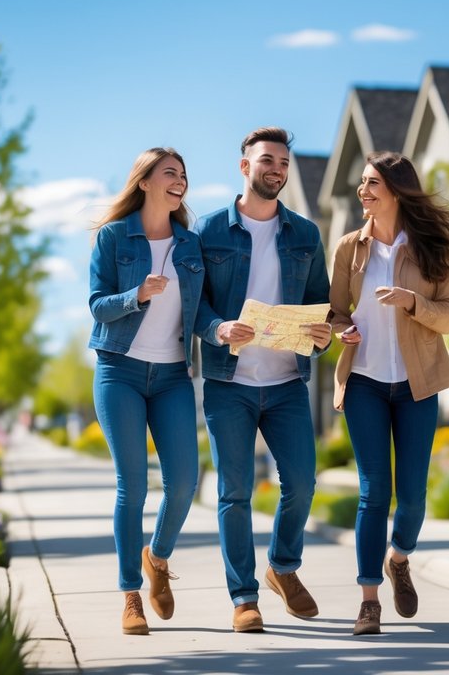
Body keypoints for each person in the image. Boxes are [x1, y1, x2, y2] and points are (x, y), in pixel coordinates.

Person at [328, 151, 449, 635]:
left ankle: (399, 559)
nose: (363, 191)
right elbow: (336, 312)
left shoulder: (432, 248)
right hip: (365, 382)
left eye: (371, 183)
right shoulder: (350, 248)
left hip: (418, 384)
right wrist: (343, 329)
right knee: (374, 492)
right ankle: (369, 600)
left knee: (411, 497)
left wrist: (414, 303)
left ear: (396, 189)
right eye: (362, 183)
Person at [194, 127, 332, 633]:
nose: (277, 169)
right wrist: (217, 326)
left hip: (286, 382)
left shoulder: (304, 234)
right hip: (229, 382)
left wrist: (323, 332)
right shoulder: (208, 232)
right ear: (244, 166)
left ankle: (282, 566)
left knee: (300, 482)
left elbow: (323, 305)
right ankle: (244, 597)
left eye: (284, 163)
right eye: (267, 160)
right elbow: (194, 306)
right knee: (234, 493)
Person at [88, 147, 210, 636]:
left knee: (184, 482)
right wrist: (135, 294)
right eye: (170, 173)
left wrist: (221, 329)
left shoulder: (191, 245)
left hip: (173, 376)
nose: (180, 180)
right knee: (132, 486)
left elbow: (200, 312)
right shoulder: (115, 237)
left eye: (183, 174)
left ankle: (156, 558)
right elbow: (97, 306)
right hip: (120, 371)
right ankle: (130, 595)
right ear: (145, 181)